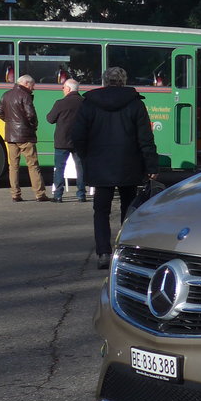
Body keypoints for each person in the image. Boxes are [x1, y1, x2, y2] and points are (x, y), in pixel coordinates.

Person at [72, 66, 159, 269]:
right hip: (129, 165)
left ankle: (103, 253)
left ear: (104, 81)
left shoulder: (89, 103)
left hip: (99, 165)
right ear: (123, 80)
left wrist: (87, 157)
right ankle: (126, 252)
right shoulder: (135, 103)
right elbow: (145, 138)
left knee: (100, 211)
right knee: (128, 209)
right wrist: (151, 165)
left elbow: (77, 135)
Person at [0, 73, 49, 202]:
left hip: (11, 136)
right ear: (26, 83)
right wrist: (32, 126)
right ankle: (39, 194)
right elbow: (31, 115)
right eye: (32, 85)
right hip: (25, 135)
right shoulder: (25, 96)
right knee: (33, 165)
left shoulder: (6, 95)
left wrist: (10, 122)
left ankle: (15, 194)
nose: (33, 88)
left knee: (13, 166)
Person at [45, 79, 87, 202]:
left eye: (63, 87)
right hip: (79, 141)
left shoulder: (60, 103)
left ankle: (58, 195)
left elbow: (50, 119)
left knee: (60, 168)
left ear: (68, 89)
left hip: (62, 141)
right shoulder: (84, 103)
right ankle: (81, 195)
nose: (62, 89)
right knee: (81, 168)